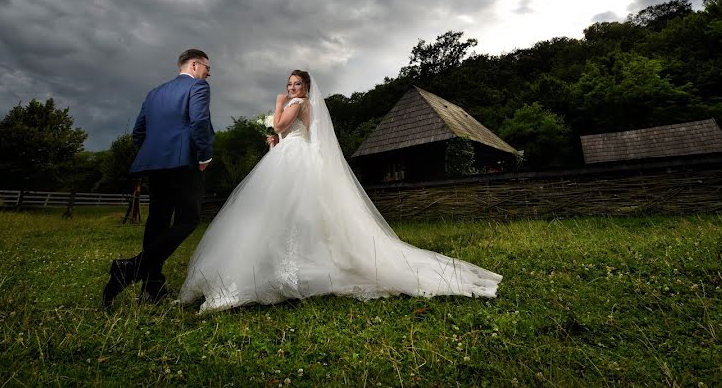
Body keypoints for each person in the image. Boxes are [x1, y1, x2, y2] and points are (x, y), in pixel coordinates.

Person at [179, 70, 500, 313]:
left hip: (295, 159)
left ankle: (286, 267)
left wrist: (277, 108)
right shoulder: (299, 104)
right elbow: (281, 134)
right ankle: (273, 262)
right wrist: (274, 141)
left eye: (296, 85)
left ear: (306, 89)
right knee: (282, 212)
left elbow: (278, 124)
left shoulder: (297, 103)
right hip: (289, 155)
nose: (291, 89)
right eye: (289, 85)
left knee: (286, 210)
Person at [102, 49, 215, 310]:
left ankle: (151, 288)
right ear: (195, 65)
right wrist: (204, 156)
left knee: (158, 220)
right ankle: (130, 269)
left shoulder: (154, 93)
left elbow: (138, 132)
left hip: (155, 164)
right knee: (188, 218)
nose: (209, 73)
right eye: (208, 68)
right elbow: (198, 121)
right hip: (184, 161)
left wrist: (154, 153)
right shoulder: (198, 87)